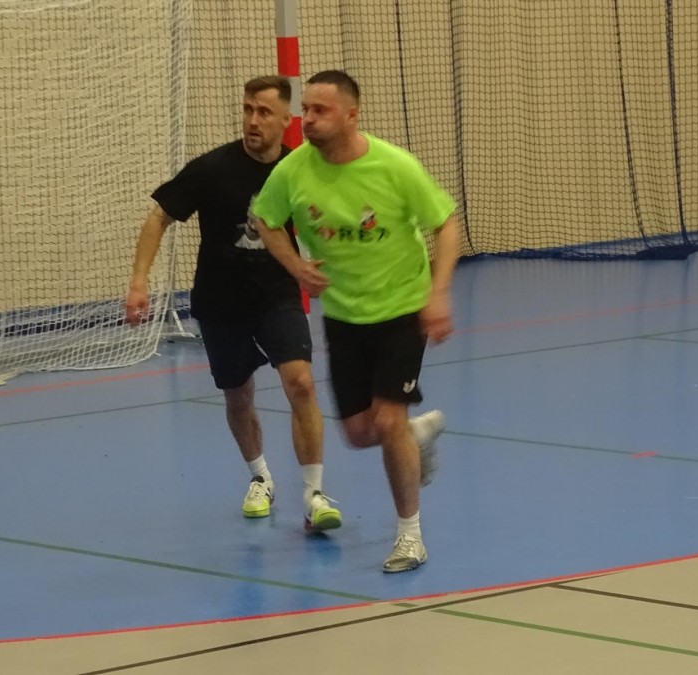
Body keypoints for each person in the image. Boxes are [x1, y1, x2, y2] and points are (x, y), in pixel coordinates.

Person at [252, 69, 457, 573]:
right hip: (344, 316)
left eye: (320, 111)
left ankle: (410, 535)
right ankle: (417, 434)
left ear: (351, 115)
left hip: (402, 309)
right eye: (306, 110)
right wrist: (295, 265)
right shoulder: (292, 171)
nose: (308, 119)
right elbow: (266, 220)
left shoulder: (394, 166)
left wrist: (438, 294)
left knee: (388, 422)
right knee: (360, 434)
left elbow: (446, 223)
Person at [124, 75, 341, 534]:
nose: (252, 120)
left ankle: (314, 493)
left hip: (277, 297)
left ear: (286, 120)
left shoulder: (300, 170)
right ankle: (260, 477)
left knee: (301, 383)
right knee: (238, 395)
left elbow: (328, 221)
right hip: (221, 302)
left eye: (264, 112)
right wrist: (140, 280)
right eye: (247, 110)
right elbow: (160, 216)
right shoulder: (213, 168)